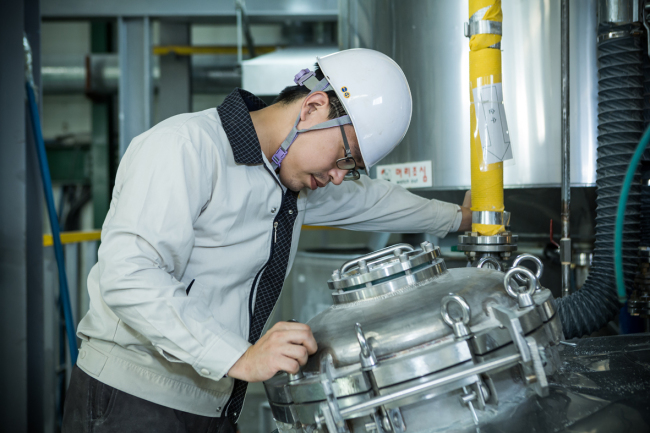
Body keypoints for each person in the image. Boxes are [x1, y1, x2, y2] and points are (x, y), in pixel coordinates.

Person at [62, 49, 471, 432]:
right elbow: (127, 274)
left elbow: (372, 200)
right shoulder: (187, 146)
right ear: (313, 108)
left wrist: (458, 218)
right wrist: (239, 356)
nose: (340, 175)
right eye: (345, 157)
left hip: (212, 406)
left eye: (354, 168)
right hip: (131, 403)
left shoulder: (288, 179)